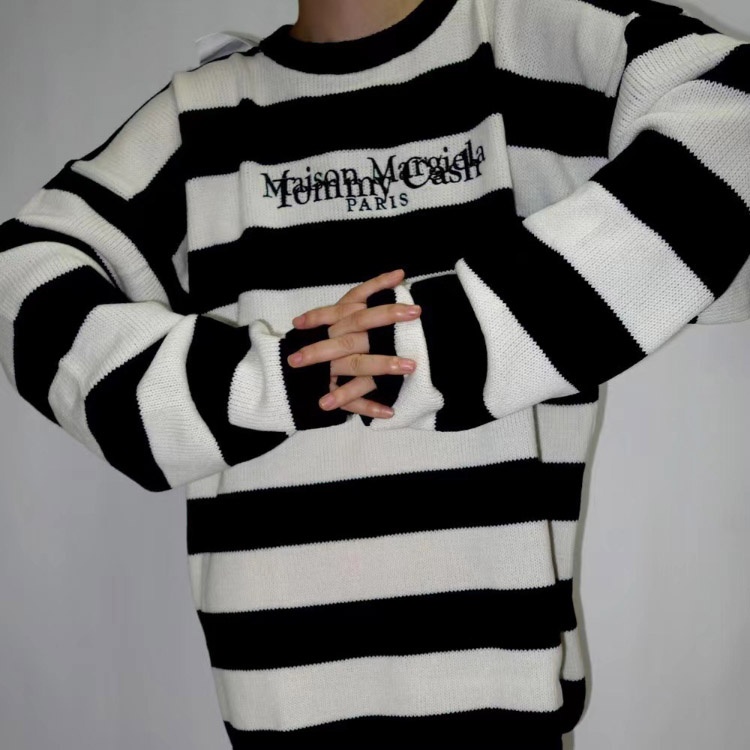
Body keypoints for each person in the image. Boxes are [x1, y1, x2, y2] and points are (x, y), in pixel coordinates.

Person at [1, 0, 748, 747]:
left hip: (503, 705)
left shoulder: (526, 48)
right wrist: (272, 382)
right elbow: (20, 282)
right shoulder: (204, 120)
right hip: (281, 714)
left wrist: (443, 343)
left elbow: (735, 121)